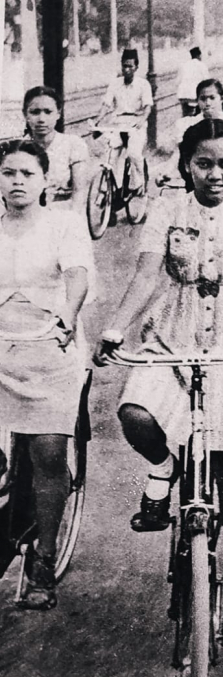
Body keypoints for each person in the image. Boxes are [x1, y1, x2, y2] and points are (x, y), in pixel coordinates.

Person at [94, 119, 223, 646]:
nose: (215, 174)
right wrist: (116, 326)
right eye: (204, 163)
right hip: (173, 330)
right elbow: (147, 274)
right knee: (135, 412)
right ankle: (164, 467)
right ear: (186, 166)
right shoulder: (167, 209)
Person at [0, 140, 94, 609]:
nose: (16, 181)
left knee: (48, 454)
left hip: (49, 349)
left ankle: (44, 556)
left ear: (44, 180)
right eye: (7, 172)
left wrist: (68, 318)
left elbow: (77, 275)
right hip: (0, 352)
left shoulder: (63, 225)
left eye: (26, 173)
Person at [158, 79, 223, 185]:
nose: (207, 103)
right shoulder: (189, 124)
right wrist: (165, 172)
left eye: (212, 98)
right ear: (197, 101)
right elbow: (179, 153)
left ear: (222, 99)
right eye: (203, 99)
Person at [22, 86, 89, 214]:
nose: (41, 119)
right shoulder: (18, 149)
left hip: (64, 216)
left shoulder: (73, 145)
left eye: (48, 112)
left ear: (58, 113)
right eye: (35, 112)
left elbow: (79, 192)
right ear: (25, 114)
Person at [96, 48, 154, 192]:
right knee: (110, 155)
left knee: (134, 153)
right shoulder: (115, 83)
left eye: (130, 66)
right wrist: (99, 119)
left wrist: (142, 120)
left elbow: (147, 107)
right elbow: (106, 104)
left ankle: (140, 183)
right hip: (118, 122)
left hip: (135, 124)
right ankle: (111, 188)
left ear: (136, 67)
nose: (127, 70)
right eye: (124, 66)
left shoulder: (143, 84)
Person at [176, 46, 210, 117]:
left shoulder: (183, 65)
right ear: (199, 55)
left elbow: (177, 82)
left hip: (183, 96)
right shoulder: (202, 65)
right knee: (197, 118)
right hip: (195, 96)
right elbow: (207, 82)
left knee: (186, 117)